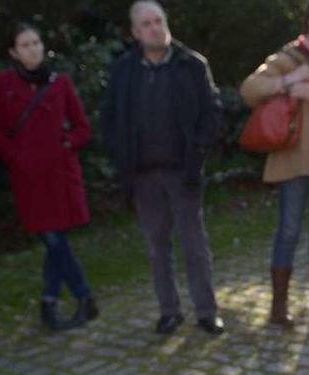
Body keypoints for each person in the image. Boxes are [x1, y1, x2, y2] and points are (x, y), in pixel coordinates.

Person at [101, 1, 224, 336]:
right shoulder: (124, 70)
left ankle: (206, 311)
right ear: (136, 32)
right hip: (143, 174)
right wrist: (120, 154)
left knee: (194, 244)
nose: (155, 27)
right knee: (157, 247)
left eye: (159, 21)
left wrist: (198, 153)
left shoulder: (192, 65)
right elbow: (109, 119)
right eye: (147, 24)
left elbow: (211, 114)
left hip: (182, 170)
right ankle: (169, 311)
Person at [0, 23, 98, 331]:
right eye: (25, 44)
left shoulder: (59, 82)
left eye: (36, 42)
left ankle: (50, 304)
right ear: (13, 52)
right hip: (30, 177)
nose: (33, 49)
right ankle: (84, 297)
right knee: (52, 237)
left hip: (60, 174)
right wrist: (15, 157)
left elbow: (82, 127)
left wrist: (67, 144)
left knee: (54, 239)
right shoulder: (1, 84)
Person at [239, 0, 309, 327]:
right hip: (293, 163)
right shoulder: (288, 58)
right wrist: (288, 83)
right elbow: (249, 90)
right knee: (287, 232)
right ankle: (278, 307)